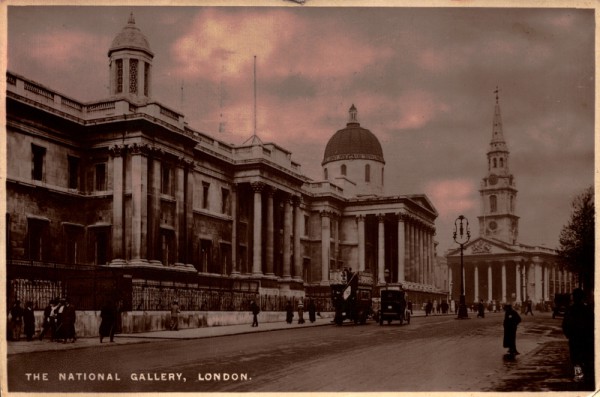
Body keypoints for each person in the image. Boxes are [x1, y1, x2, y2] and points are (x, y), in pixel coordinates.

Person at [562, 288, 594, 383]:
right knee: (587, 358)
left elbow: (565, 324)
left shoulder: (570, 310)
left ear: (574, 298)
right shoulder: (587, 309)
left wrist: (569, 335)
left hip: (575, 339)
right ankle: (588, 376)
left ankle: (579, 376)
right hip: (586, 339)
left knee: (576, 360)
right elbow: (593, 324)